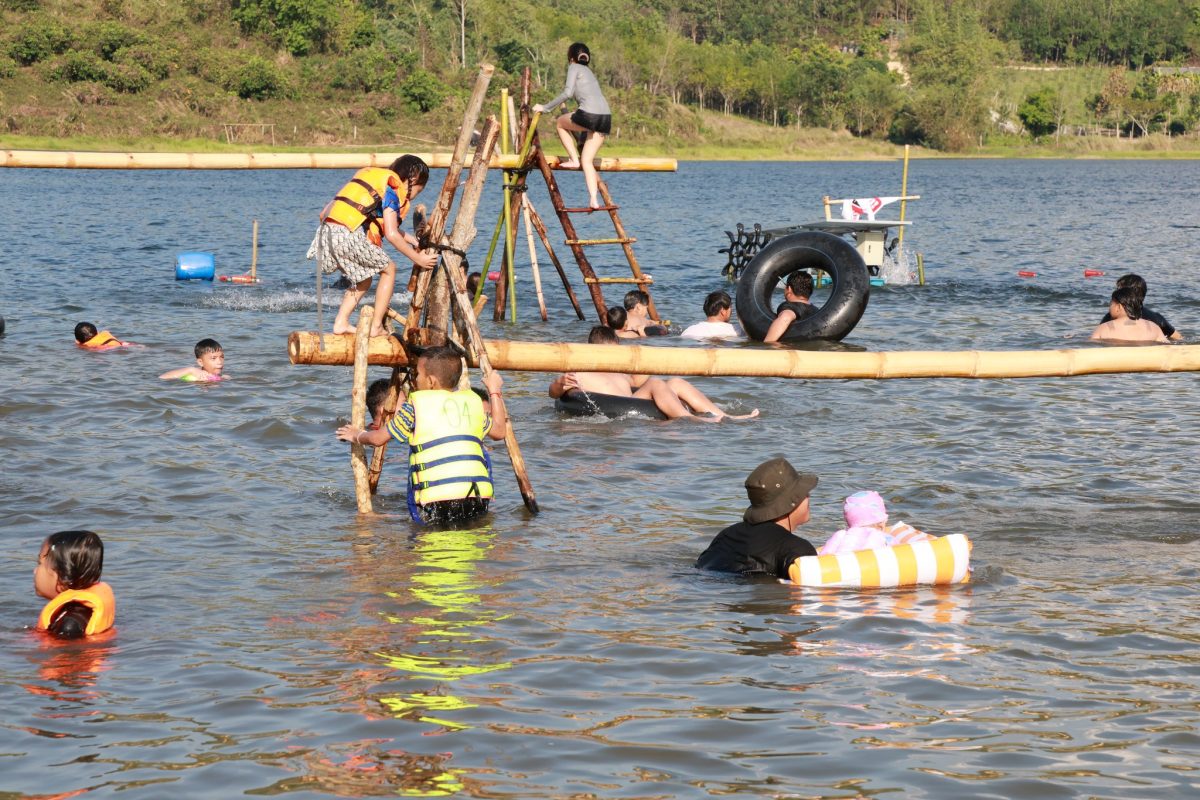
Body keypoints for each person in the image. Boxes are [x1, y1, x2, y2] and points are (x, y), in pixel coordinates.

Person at [336, 345, 507, 526]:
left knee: (431, 538)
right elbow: (500, 431)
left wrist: (357, 435)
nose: (415, 379)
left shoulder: (415, 407)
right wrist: (494, 391)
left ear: (431, 381)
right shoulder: (472, 403)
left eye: (417, 374)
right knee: (470, 534)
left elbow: (378, 439)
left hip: (439, 500)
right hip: (477, 496)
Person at [307, 155, 439, 338]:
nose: (415, 195)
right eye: (419, 190)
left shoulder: (371, 182)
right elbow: (391, 234)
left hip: (324, 236)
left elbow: (323, 214)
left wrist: (415, 242)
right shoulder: (392, 190)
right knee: (389, 270)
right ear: (414, 179)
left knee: (365, 279)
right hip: (346, 235)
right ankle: (376, 326)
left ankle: (341, 323)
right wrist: (418, 259)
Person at [548, 326, 759, 421]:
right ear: (594, 351)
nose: (615, 357)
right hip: (616, 409)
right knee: (657, 383)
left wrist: (648, 360)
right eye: (610, 352)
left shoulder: (619, 372)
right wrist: (560, 383)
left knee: (675, 382)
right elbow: (554, 392)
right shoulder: (581, 372)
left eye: (617, 351)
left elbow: (640, 379)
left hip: (631, 402)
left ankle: (724, 415)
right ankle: (689, 419)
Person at [695, 458, 818, 578]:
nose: (808, 496)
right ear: (791, 501)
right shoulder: (796, 549)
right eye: (803, 493)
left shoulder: (726, 536)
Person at [532, 42, 611, 210]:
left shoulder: (574, 67)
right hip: (605, 119)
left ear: (571, 58)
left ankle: (574, 159)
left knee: (560, 123)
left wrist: (545, 108)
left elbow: (567, 93)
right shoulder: (589, 72)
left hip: (590, 116)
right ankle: (593, 200)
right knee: (587, 161)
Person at [34, 530, 114, 639]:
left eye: (39, 563)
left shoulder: (69, 626)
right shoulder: (80, 614)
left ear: (63, 576)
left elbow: (65, 649)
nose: (35, 571)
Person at [818, 490, 934, 556]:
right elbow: (900, 557)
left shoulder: (840, 535)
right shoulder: (884, 537)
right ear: (881, 524)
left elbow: (823, 556)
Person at [1097, 274, 1182, 341]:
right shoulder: (1156, 319)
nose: (1117, 292)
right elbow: (1178, 338)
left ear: (1127, 295)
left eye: (1119, 290)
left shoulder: (1110, 318)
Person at [1090, 287, 1168, 343]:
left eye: (1111, 304)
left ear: (1118, 307)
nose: (1109, 307)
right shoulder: (1154, 327)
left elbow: (1092, 349)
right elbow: (1167, 347)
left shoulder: (1103, 328)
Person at [763, 271, 817, 343]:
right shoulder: (816, 310)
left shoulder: (790, 307)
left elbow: (785, 318)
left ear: (789, 289)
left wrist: (767, 344)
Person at [159, 338, 226, 381]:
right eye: (213, 358)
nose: (219, 361)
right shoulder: (194, 376)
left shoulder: (224, 377)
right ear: (200, 362)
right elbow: (162, 377)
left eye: (222, 357)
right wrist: (191, 370)